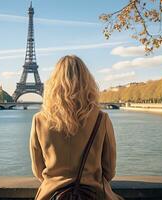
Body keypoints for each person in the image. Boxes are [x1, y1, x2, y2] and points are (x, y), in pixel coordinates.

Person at [29, 55, 124, 200]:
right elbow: (109, 171)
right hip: (92, 195)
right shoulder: (101, 119)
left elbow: (38, 170)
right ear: (88, 82)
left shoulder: (39, 120)